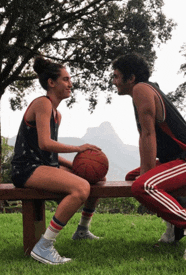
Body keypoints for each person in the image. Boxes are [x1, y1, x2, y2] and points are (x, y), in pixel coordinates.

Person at [112, 53, 186, 260]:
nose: (113, 81)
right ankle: (175, 228)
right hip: (177, 160)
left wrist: (147, 177)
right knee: (134, 178)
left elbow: (148, 134)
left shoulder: (141, 89)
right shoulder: (144, 90)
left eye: (116, 76)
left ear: (131, 78)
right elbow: (146, 135)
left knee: (143, 185)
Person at [11, 56, 101, 265]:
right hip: (26, 169)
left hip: (43, 165)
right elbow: (45, 143)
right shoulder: (42, 103)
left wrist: (76, 165)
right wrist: (79, 148)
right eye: (66, 79)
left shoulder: (56, 113)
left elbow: (48, 152)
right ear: (51, 83)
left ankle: (82, 230)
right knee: (81, 188)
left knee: (95, 176)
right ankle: (44, 246)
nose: (70, 84)